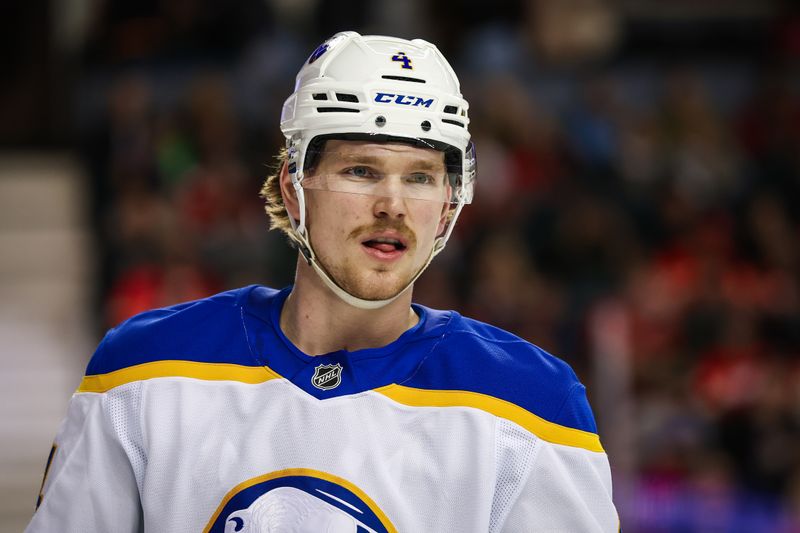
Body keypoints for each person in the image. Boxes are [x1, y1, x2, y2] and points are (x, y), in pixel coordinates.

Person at [27, 31, 618, 532]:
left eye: (419, 177)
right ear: (293, 188)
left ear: (448, 204)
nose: (392, 205)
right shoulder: (144, 371)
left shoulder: (533, 406)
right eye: (361, 170)